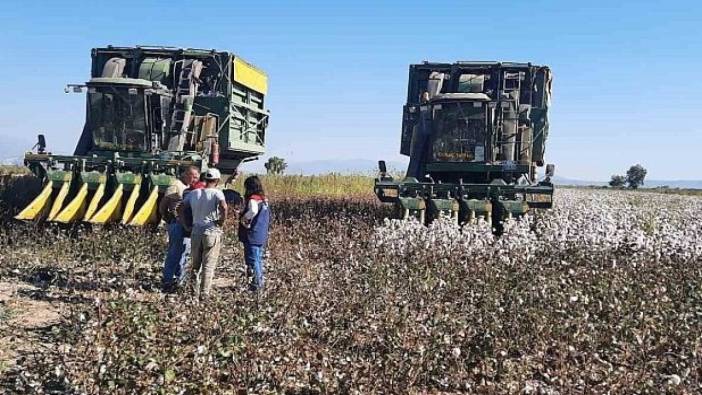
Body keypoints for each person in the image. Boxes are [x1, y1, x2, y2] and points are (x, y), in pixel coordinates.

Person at [180, 168, 228, 298]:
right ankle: (204, 293)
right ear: (217, 180)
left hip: (196, 231)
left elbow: (181, 208)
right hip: (211, 231)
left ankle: (191, 290)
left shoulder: (194, 193)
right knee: (208, 264)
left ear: (205, 179)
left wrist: (185, 224)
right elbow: (224, 207)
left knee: (195, 263)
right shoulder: (217, 193)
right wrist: (221, 221)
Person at [159, 165, 199, 292]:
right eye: (193, 177)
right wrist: (167, 218)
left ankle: (179, 279)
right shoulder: (176, 186)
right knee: (174, 253)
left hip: (186, 225)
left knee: (184, 253)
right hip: (176, 223)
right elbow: (163, 204)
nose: (195, 180)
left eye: (197, 177)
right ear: (186, 174)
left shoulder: (190, 188)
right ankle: (168, 280)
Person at [238, 176, 270, 291]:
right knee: (258, 259)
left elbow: (253, 211)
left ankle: (256, 286)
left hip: (252, 235)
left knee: (252, 260)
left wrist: (243, 219)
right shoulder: (264, 200)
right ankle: (259, 282)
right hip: (261, 234)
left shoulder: (253, 199)